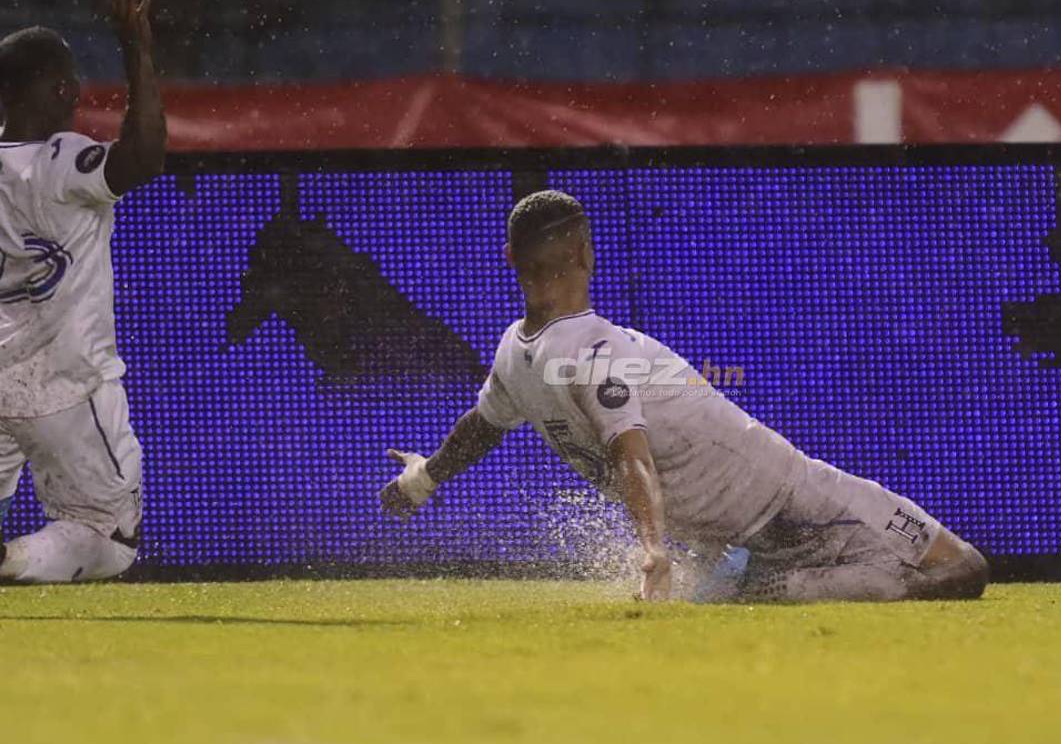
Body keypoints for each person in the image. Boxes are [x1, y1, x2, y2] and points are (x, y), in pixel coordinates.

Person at [380, 190, 989, 602]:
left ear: (510, 257)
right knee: (965, 568)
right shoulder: (596, 348)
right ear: (587, 253)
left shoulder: (515, 354)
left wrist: (422, 479)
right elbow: (632, 454)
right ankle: (781, 586)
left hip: (723, 535)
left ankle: (765, 584)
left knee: (872, 568)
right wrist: (651, 549)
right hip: (793, 496)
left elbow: (483, 425)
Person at [0, 0, 166, 582]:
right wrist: (137, 50)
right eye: (67, 78)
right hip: (65, 386)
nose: (75, 90)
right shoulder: (60, 159)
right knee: (110, 538)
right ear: (57, 87)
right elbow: (143, 158)